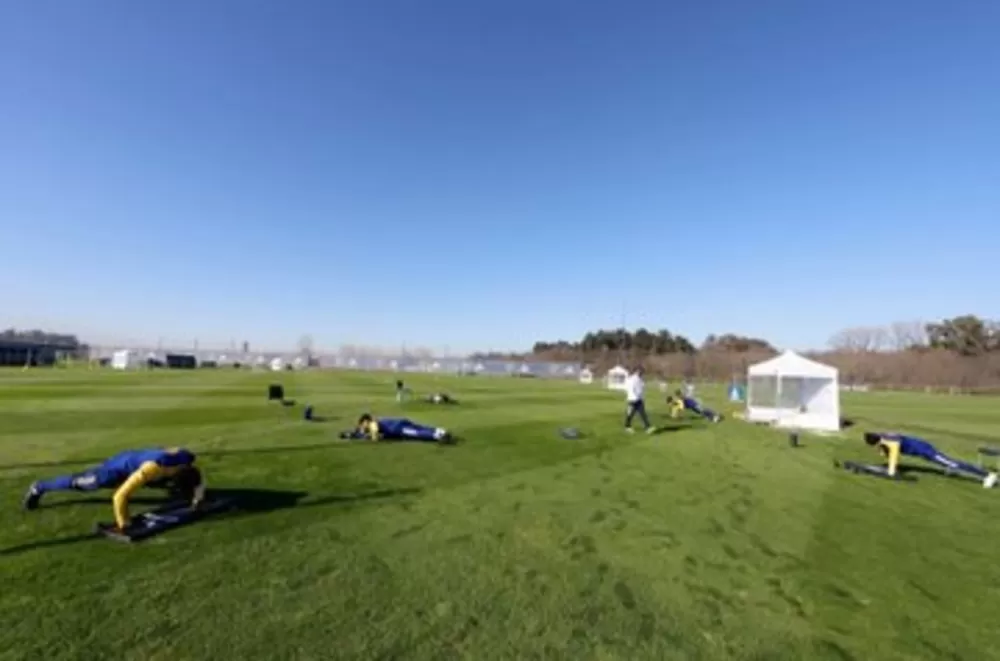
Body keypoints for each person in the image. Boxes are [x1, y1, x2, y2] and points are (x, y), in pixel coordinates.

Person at [22, 447, 205, 530]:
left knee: (166, 482)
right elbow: (119, 496)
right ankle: (39, 487)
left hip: (134, 459)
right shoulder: (152, 468)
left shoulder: (183, 459)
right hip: (114, 470)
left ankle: (175, 488)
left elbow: (196, 477)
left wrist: (197, 499)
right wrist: (124, 523)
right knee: (79, 483)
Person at [864, 431, 998, 488]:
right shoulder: (882, 436)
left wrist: (891, 472)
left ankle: (987, 475)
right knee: (950, 464)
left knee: (952, 464)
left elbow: (894, 457)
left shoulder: (891, 442)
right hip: (920, 449)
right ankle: (986, 474)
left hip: (925, 450)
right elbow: (884, 450)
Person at [341, 414, 453, 443]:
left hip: (399, 427)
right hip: (400, 423)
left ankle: (438, 435)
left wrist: (373, 436)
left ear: (366, 421)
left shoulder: (372, 424)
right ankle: (439, 431)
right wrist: (351, 435)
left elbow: (374, 432)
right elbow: (362, 433)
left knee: (417, 433)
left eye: (362, 424)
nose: (362, 426)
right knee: (420, 428)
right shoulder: (372, 424)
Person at [624, 367, 655, 434]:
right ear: (637, 371)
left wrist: (641, 396)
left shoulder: (640, 379)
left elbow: (641, 387)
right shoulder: (632, 379)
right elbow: (630, 388)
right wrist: (633, 397)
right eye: (640, 372)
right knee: (630, 414)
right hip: (633, 399)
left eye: (642, 372)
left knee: (642, 413)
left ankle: (648, 427)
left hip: (639, 399)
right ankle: (627, 426)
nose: (641, 373)